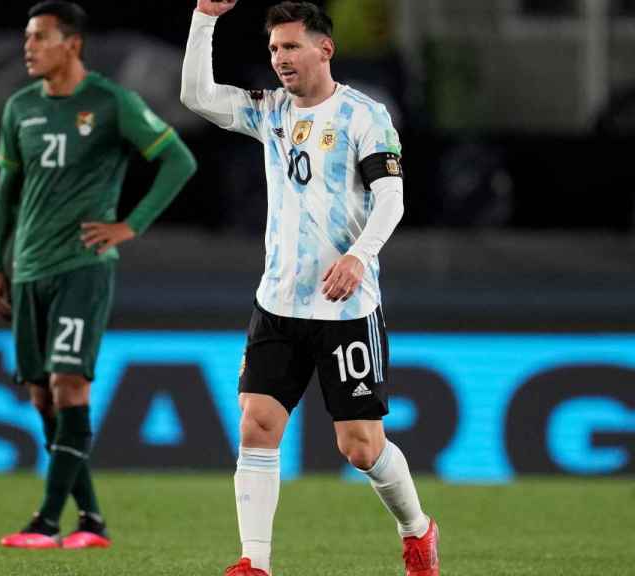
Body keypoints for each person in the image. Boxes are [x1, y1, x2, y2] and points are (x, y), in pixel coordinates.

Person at [181, 2, 438, 575]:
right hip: (277, 303)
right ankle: (256, 563)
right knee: (258, 423)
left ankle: (417, 530)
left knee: (360, 448)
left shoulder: (364, 116)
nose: (280, 59)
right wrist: (203, 19)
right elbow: (197, 96)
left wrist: (357, 255)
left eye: (291, 47)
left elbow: (391, 200)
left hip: (345, 308)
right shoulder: (270, 112)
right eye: (274, 49)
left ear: (325, 49)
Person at [0, 1, 197, 549]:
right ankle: (93, 523)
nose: (27, 47)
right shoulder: (19, 108)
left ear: (72, 43)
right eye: (26, 37)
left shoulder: (110, 103)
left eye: (39, 37)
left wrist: (131, 225)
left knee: (68, 382)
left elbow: (178, 160)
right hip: (29, 267)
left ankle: (46, 521)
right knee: (42, 398)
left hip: (82, 266)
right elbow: (6, 194)